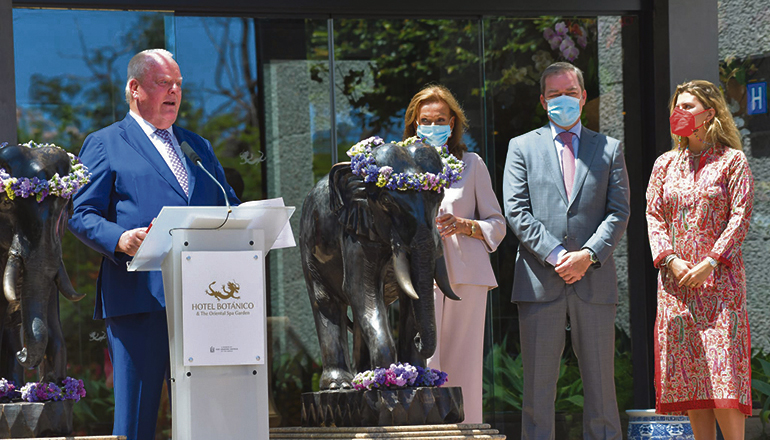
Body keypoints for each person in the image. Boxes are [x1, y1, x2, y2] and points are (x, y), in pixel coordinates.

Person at [69, 49, 240, 440]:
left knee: (211, 419)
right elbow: (81, 213)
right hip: (139, 298)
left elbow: (228, 204)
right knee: (138, 420)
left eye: (179, 85)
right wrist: (120, 238)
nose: (174, 91)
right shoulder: (105, 143)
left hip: (209, 303)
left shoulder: (197, 147)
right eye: (164, 83)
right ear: (134, 88)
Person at [502, 61, 630, 440]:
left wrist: (587, 256)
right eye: (555, 94)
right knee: (538, 392)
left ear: (583, 96)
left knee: (602, 390)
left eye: (570, 93)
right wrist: (559, 256)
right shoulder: (521, 147)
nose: (563, 100)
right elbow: (516, 210)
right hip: (541, 281)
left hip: (593, 279)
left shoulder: (608, 149)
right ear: (543, 101)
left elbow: (619, 211)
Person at [646, 80, 754, 440]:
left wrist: (710, 261)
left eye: (688, 106)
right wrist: (671, 260)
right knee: (691, 377)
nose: (680, 113)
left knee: (723, 376)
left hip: (720, 289)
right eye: (677, 107)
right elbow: (654, 215)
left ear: (710, 112)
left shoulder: (732, 162)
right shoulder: (665, 165)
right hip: (677, 288)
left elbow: (741, 216)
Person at [403, 84, 506, 424]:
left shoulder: (472, 164)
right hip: (417, 276)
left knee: (464, 365)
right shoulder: (398, 165)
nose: (433, 126)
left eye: (440, 119)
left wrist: (464, 224)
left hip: (466, 276)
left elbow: (497, 223)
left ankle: (468, 431)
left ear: (452, 123)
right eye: (426, 120)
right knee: (425, 362)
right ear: (415, 123)